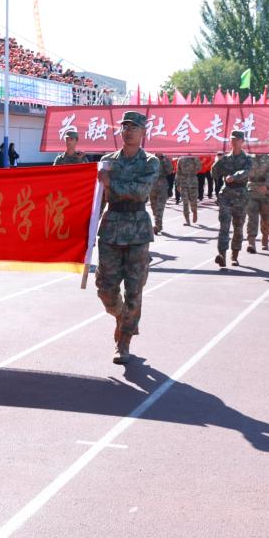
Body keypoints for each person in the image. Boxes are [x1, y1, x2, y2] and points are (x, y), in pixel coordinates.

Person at [94, 111, 157, 365]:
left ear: (143, 132)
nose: (128, 131)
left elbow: (140, 192)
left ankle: (124, 341)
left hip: (137, 232)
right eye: (125, 127)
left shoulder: (150, 162)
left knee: (134, 290)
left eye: (134, 127)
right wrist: (88, 226)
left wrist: (111, 184)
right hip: (111, 229)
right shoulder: (107, 161)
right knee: (105, 289)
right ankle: (122, 317)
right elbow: (98, 197)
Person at [212, 131, 252, 267]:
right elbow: (214, 174)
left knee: (238, 227)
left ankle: (234, 256)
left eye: (236, 139)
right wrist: (217, 162)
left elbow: (246, 172)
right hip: (226, 195)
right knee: (224, 225)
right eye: (232, 139)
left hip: (241, 195)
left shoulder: (247, 158)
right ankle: (222, 255)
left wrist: (234, 176)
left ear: (242, 141)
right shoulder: (225, 159)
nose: (233, 142)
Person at [245, 152, 269, 254]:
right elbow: (244, 172)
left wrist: (265, 185)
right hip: (251, 190)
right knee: (252, 217)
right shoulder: (248, 158)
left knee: (266, 218)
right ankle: (251, 242)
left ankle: (265, 238)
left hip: (266, 192)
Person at [148, 151, 172, 235]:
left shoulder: (165, 159)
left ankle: (157, 226)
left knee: (160, 207)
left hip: (162, 185)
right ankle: (158, 223)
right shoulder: (150, 158)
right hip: (152, 185)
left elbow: (170, 171)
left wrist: (165, 161)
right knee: (153, 206)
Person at [175, 155, 200, 226]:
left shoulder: (195, 158)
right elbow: (178, 172)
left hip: (193, 183)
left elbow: (199, 169)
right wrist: (177, 184)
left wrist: (195, 159)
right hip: (183, 183)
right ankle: (187, 220)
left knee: (193, 201)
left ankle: (194, 211)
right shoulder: (180, 159)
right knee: (185, 202)